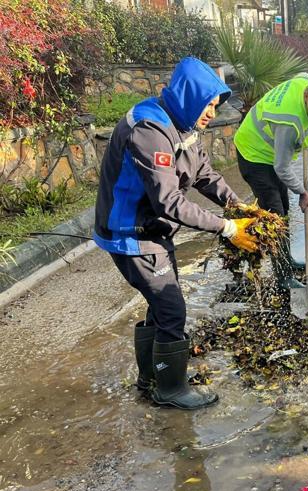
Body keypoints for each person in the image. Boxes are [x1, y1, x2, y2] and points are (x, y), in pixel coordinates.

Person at [94, 57, 259, 410]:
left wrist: (236, 206)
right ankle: (170, 389)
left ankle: (151, 378)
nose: (212, 113)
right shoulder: (149, 130)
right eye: (208, 105)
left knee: (160, 304)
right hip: (131, 233)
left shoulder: (183, 124)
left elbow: (203, 174)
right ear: (189, 97)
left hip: (151, 230)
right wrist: (227, 228)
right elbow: (169, 201)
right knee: (171, 310)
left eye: (216, 106)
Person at [233, 73, 308, 289]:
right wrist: (303, 192)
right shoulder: (289, 122)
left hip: (267, 152)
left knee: (284, 207)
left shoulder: (303, 82)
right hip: (253, 155)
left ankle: (285, 260)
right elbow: (281, 167)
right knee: (276, 215)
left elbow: (302, 75)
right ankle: (283, 277)